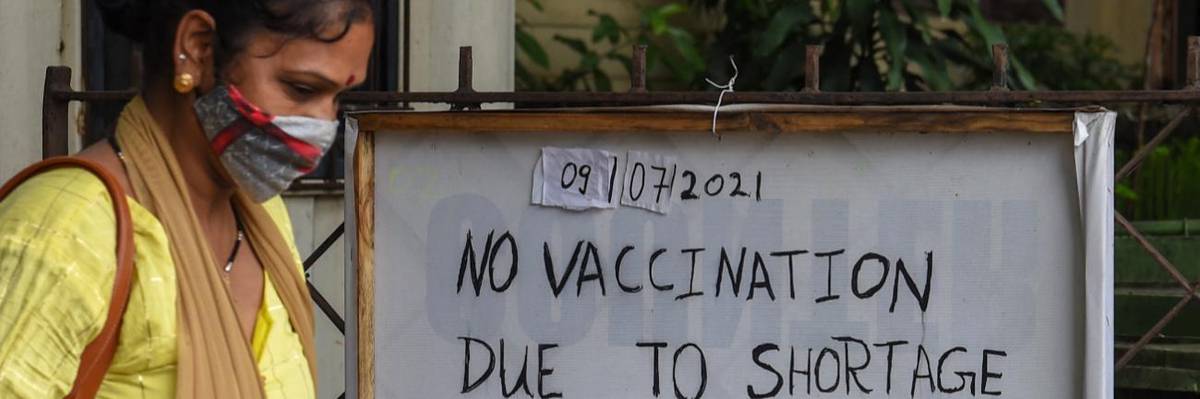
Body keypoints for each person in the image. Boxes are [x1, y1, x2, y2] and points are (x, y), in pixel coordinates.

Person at [0, 0, 374, 397]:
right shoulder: (69, 229)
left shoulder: (263, 220)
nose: (323, 124)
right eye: (301, 88)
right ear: (198, 49)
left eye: (339, 98)